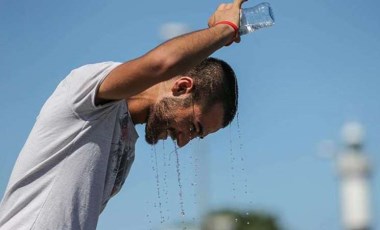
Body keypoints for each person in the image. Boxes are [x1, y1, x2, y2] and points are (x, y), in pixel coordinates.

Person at [0, 0, 245, 229]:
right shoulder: (88, 96)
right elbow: (161, 63)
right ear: (181, 87)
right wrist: (226, 28)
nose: (182, 142)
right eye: (193, 127)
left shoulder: (127, 146)